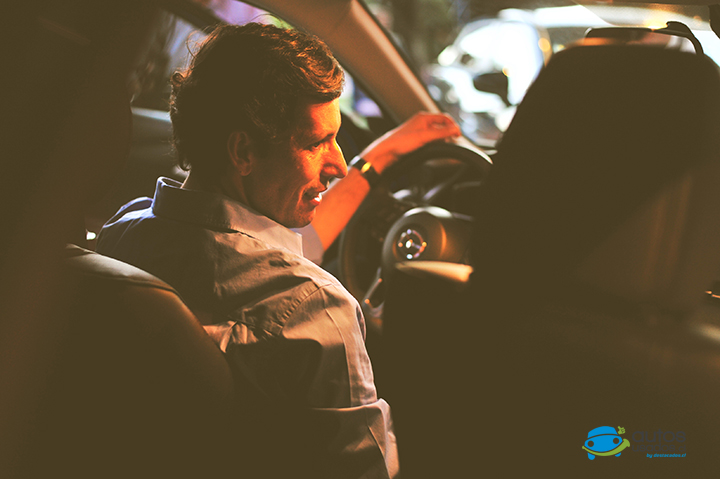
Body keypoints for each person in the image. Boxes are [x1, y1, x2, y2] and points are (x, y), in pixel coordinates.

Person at [97, 22, 460, 478]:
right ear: (243, 152)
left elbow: (263, 249)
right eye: (316, 143)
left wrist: (379, 158)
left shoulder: (121, 234)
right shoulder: (315, 309)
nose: (339, 164)